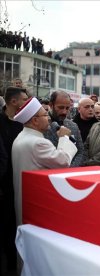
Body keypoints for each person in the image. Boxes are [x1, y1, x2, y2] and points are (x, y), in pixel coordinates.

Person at [12, 97, 77, 225]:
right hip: (37, 203)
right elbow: (63, 161)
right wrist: (64, 137)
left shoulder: (21, 136)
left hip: (25, 200)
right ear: (35, 120)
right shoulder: (38, 142)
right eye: (45, 114)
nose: (48, 118)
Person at [0, 86, 28, 272]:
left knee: (13, 228)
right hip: (2, 186)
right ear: (13, 101)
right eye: (24, 99)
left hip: (17, 183)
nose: (28, 103)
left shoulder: (24, 124)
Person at [44, 91, 84, 167]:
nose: (64, 112)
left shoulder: (73, 126)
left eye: (67, 108)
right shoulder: (42, 125)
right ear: (51, 105)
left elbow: (81, 151)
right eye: (61, 107)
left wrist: (70, 168)